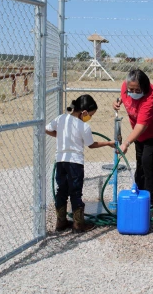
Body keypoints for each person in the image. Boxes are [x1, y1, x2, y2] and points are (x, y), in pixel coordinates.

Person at [45, 94, 115, 233]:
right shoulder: (84, 126)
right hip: (75, 163)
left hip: (61, 161)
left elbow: (47, 129)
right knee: (75, 192)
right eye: (90, 114)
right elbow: (91, 144)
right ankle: (78, 224)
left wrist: (60, 135)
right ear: (84, 112)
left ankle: (61, 222)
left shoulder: (61, 118)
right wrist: (108, 143)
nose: (90, 117)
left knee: (61, 190)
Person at [113, 69, 153, 208]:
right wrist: (118, 101)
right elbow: (123, 96)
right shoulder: (126, 86)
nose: (133, 92)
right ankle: (139, 193)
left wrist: (126, 143)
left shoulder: (151, 97)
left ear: (144, 87)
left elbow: (141, 126)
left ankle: (151, 200)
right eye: (130, 90)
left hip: (152, 133)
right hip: (138, 134)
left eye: (137, 90)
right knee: (140, 163)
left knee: (148, 164)